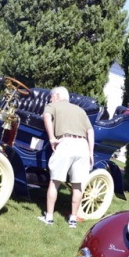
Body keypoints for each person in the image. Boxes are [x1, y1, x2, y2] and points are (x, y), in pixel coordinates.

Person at [39, 86, 95, 228]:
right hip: (82, 146)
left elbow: (46, 117)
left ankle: (49, 217)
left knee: (55, 182)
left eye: (51, 96)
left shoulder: (52, 105)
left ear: (57, 96)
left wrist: (51, 138)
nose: (50, 99)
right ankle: (73, 220)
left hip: (66, 143)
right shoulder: (80, 110)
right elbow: (90, 131)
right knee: (77, 185)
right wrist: (90, 152)